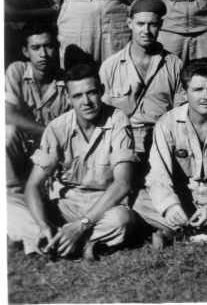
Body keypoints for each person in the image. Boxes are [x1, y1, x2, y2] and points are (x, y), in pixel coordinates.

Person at [9, 64, 135, 260]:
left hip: (103, 203)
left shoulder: (118, 120)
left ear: (101, 91)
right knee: (12, 206)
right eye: (77, 96)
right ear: (68, 98)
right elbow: (33, 185)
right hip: (66, 204)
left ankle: (62, 243)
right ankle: (70, 240)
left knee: (122, 219)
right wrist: (43, 225)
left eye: (91, 93)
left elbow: (123, 183)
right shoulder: (57, 128)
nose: (86, 102)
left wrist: (82, 223)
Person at [133, 59, 207, 248]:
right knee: (136, 197)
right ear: (184, 92)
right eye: (197, 90)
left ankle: (176, 231)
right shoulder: (167, 123)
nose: (206, 96)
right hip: (185, 198)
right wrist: (170, 205)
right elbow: (158, 173)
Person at [99, 0, 184, 171]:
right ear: (129, 23)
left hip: (163, 138)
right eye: (140, 24)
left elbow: (181, 115)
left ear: (160, 24)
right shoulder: (110, 66)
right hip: (123, 139)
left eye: (152, 24)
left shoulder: (175, 64)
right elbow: (103, 117)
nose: (146, 31)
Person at [6, 22, 68, 191]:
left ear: (57, 47)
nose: (43, 54)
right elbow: (7, 115)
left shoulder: (67, 82)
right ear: (26, 52)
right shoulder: (17, 71)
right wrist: (48, 131)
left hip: (53, 150)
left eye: (48, 46)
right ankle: (11, 194)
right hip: (23, 148)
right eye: (36, 48)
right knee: (6, 132)